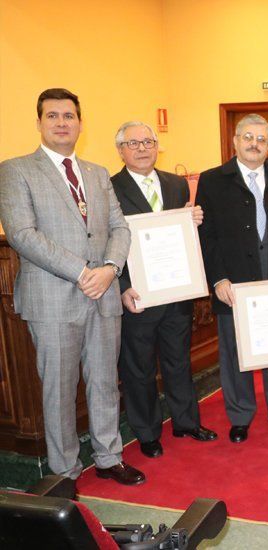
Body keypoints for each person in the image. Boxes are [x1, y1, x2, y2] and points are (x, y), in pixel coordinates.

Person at [0, 89, 144, 485]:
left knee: (103, 382)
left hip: (104, 296)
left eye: (69, 115)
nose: (62, 122)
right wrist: (84, 272)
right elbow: (22, 234)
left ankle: (109, 456)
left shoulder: (98, 174)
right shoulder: (15, 170)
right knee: (59, 391)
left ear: (80, 123)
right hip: (52, 299)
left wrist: (111, 268)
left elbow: (119, 227)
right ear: (40, 123)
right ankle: (65, 471)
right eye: (53, 116)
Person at [196, 114, 268, 443]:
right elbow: (209, 236)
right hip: (234, 279)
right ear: (235, 141)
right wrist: (218, 279)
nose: (254, 144)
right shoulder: (213, 180)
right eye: (248, 137)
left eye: (261, 139)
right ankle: (241, 414)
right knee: (234, 349)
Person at [111, 121, 217, 459]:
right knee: (138, 366)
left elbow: (182, 235)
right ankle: (147, 432)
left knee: (178, 360)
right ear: (121, 150)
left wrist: (192, 220)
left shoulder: (175, 184)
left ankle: (186, 421)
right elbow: (105, 243)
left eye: (148, 141)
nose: (142, 148)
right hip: (138, 294)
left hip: (176, 290)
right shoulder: (109, 188)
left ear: (157, 146)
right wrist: (123, 287)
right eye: (133, 143)